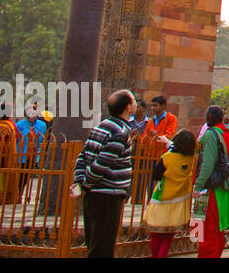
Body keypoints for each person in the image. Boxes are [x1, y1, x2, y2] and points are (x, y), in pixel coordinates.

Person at [71, 90, 135, 258]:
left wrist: (80, 182)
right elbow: (101, 165)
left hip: (94, 195)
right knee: (102, 248)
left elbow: (82, 157)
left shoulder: (101, 126)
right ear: (128, 107)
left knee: (95, 243)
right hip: (107, 196)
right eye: (134, 101)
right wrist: (85, 184)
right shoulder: (120, 133)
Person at [194, 105, 229, 258]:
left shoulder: (210, 134)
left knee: (205, 227)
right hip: (222, 186)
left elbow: (207, 163)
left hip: (209, 188)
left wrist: (198, 185)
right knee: (215, 228)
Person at [145, 129, 196, 257]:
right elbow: (178, 150)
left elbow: (156, 175)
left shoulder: (167, 158)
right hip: (179, 200)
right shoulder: (191, 157)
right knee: (168, 236)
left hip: (162, 199)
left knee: (156, 234)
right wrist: (167, 142)